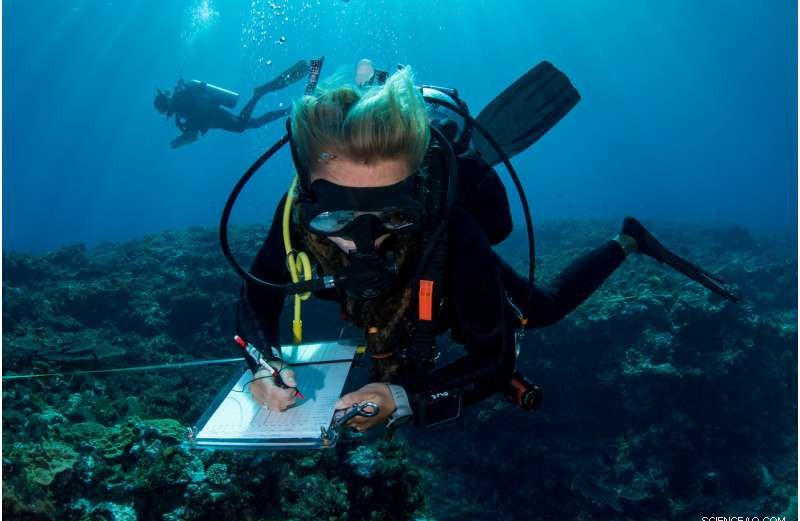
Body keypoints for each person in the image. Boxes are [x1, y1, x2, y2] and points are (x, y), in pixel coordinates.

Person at [234, 64, 740, 432]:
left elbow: (495, 361)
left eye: (392, 215)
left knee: (542, 309)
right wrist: (260, 365)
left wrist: (405, 398)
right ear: (308, 195)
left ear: (419, 196)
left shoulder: (447, 225)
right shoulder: (293, 218)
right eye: (337, 217)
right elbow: (255, 301)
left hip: (445, 282)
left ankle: (630, 239)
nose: (363, 243)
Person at [154, 60, 310, 148]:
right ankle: (288, 110)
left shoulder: (180, 102)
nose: (163, 113)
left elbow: (194, 121)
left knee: (241, 125)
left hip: (214, 116)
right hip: (213, 117)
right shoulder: (180, 102)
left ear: (164, 106)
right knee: (253, 123)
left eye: (162, 110)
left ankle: (259, 94)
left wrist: (181, 140)